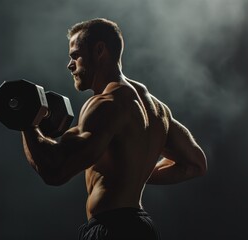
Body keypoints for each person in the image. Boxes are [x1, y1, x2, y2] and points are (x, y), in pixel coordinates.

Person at [21, 18, 207, 240]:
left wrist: (26, 121)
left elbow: (55, 170)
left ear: (99, 50)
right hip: (142, 228)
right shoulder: (157, 109)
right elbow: (195, 164)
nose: (70, 65)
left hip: (112, 230)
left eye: (75, 56)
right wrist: (134, 168)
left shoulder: (106, 103)